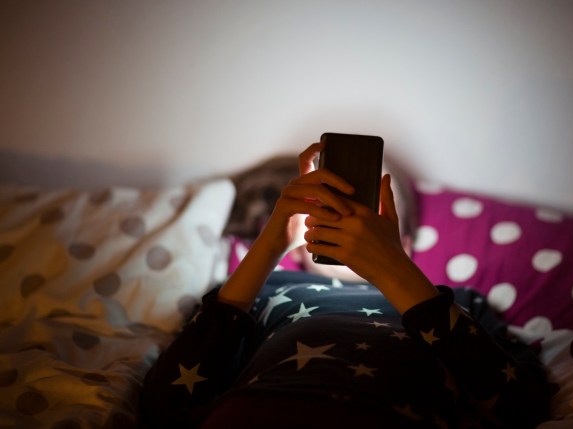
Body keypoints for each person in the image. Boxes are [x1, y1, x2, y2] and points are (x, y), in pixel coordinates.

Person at [139, 143, 550, 428]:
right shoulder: (260, 288)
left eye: (373, 213)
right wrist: (269, 247)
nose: (351, 218)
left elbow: (521, 408)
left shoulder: (454, 304)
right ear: (299, 245)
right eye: (328, 210)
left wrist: (396, 273)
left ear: (404, 244)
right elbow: (165, 405)